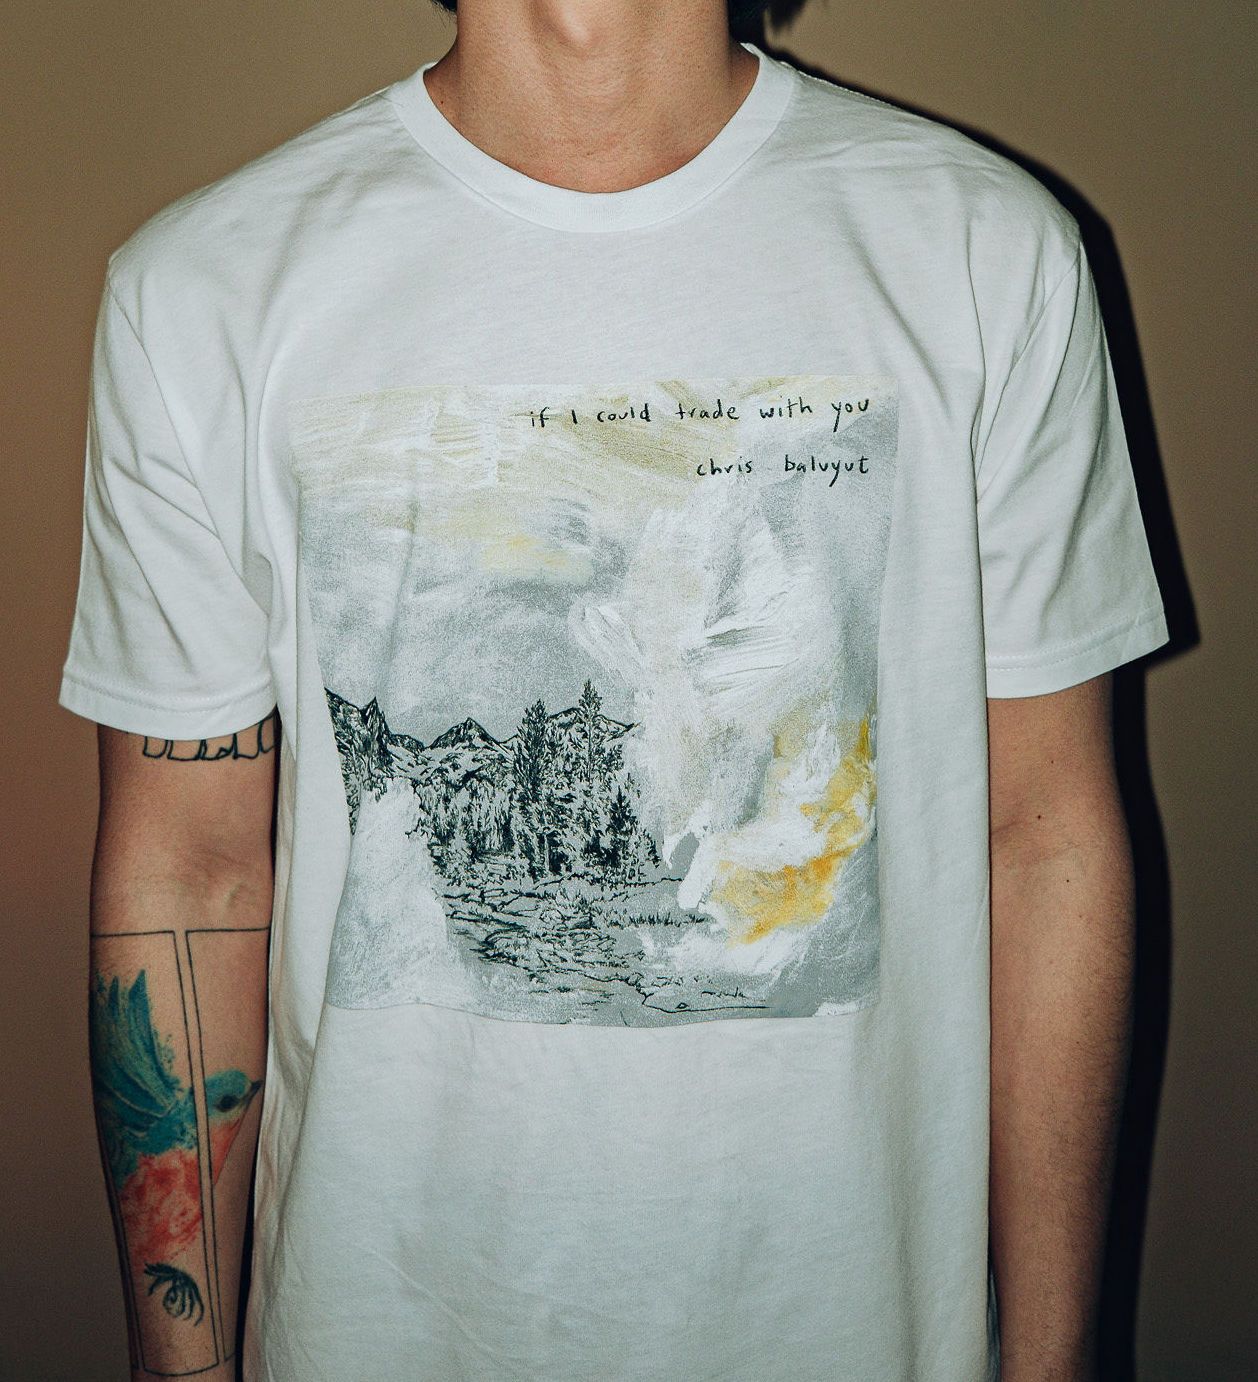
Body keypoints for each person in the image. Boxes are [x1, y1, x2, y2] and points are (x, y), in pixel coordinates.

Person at [59, 0, 1170, 1377]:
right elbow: (188, 868)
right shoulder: (197, 293)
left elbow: (1043, 836)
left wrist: (1053, 1362)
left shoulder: (986, 253)